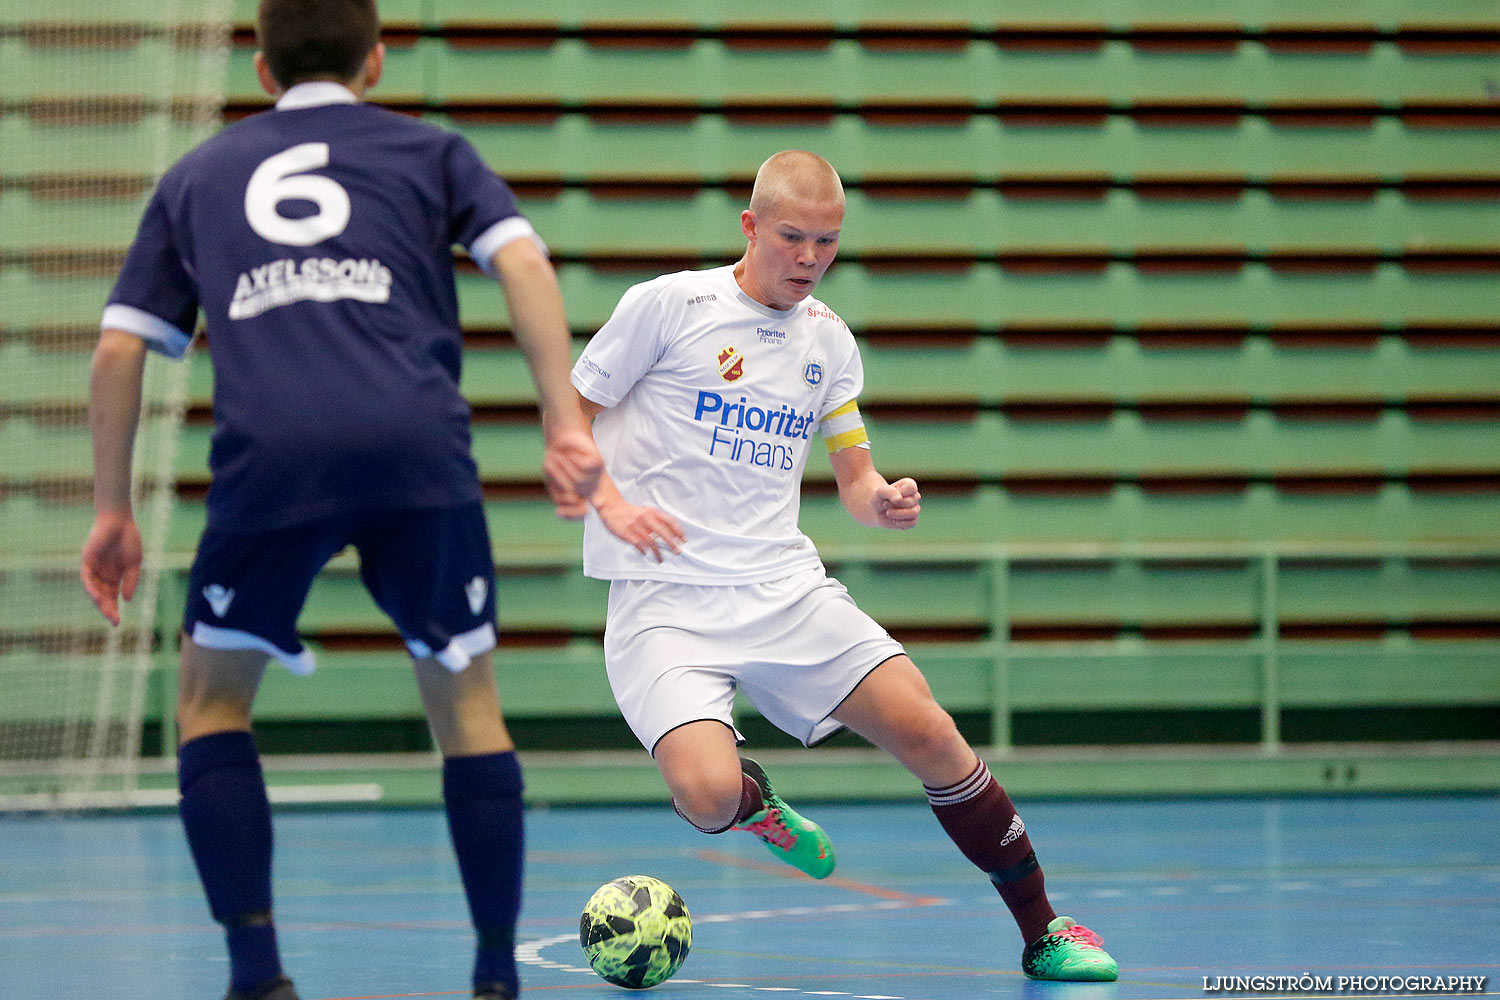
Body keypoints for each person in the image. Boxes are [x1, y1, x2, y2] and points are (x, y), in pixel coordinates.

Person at [79, 2, 602, 998]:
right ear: (376, 58)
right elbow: (524, 260)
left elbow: (118, 348)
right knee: (468, 704)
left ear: (264, 71)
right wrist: (564, 422)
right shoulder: (432, 151)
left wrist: (113, 511)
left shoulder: (196, 175)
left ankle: (257, 973)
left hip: (272, 460)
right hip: (417, 448)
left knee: (209, 704)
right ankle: (497, 974)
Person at [560, 150, 1118, 981]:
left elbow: (853, 479)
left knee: (930, 730)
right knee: (706, 796)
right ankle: (754, 803)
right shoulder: (669, 307)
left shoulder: (828, 340)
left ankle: (1045, 929)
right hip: (664, 600)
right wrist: (608, 506)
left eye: (828, 242)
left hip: (782, 588)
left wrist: (880, 497)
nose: (811, 259)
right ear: (750, 227)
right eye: (793, 237)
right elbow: (569, 420)